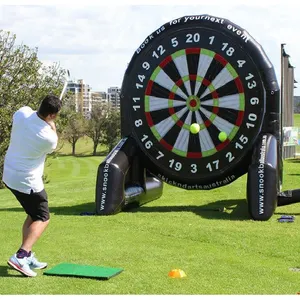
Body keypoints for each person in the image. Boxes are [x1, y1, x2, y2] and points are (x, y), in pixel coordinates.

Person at [2, 94, 62, 277]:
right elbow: (54, 140)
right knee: (43, 217)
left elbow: (29, 112)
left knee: (32, 213)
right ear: (52, 115)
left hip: (9, 175)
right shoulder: (48, 138)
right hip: (26, 180)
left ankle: (27, 254)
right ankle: (20, 256)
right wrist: (52, 125)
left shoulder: (21, 114)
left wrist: (46, 119)